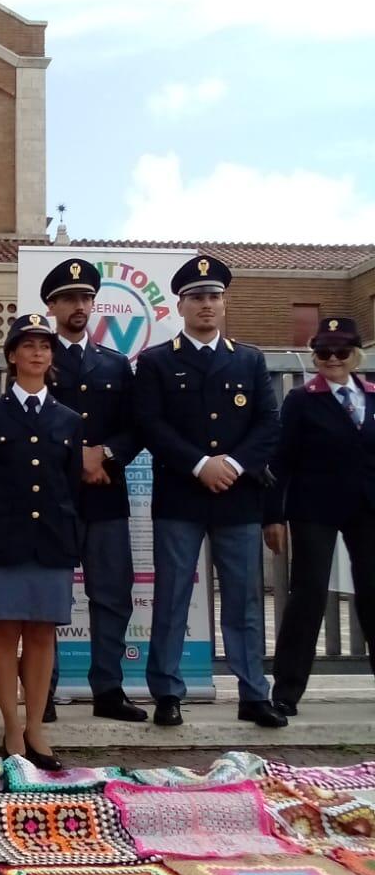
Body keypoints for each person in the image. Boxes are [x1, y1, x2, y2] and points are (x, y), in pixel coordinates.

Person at [134, 254, 284, 727]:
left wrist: (234, 464)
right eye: (197, 297)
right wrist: (200, 464)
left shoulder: (250, 358)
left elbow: (268, 423)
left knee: (243, 599)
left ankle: (253, 693)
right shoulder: (158, 361)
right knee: (173, 596)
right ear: (180, 306)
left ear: (224, 304)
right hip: (181, 494)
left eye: (214, 297)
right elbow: (150, 425)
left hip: (238, 496)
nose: (206, 305)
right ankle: (166, 692)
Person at [0, 314, 83, 769]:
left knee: (41, 634)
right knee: (4, 631)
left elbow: (71, 486)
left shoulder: (69, 419)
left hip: (51, 540)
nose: (37, 353)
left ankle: (36, 725)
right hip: (1, 539)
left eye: (45, 346)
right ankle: (11, 725)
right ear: (12, 355)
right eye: (28, 345)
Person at [43, 257, 146, 723]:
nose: (79, 306)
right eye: (69, 299)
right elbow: (29, 423)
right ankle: (43, 691)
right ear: (52, 306)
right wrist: (76, 458)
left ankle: (108, 688)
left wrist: (103, 455)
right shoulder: (39, 356)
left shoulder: (116, 363)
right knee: (47, 597)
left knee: (111, 594)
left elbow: (137, 427)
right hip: (53, 498)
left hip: (106, 495)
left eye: (86, 298)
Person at [265, 315, 375, 714]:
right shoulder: (301, 400)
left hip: (367, 508)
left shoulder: (372, 395)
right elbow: (281, 461)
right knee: (308, 595)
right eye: (323, 352)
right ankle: (287, 691)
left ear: (355, 355)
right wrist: (272, 516)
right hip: (315, 508)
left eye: (340, 351)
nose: (332, 358)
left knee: (374, 593)